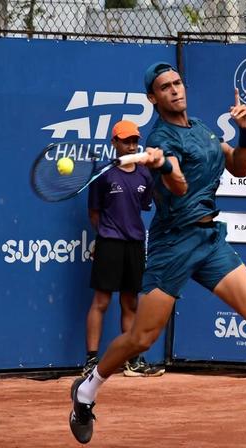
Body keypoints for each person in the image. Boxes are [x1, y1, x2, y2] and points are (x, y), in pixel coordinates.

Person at [68, 62, 246, 444]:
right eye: (164, 87)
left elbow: (239, 167)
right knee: (141, 339)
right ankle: (86, 391)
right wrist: (165, 163)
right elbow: (180, 187)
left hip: (209, 239)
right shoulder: (161, 139)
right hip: (173, 244)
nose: (174, 90)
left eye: (177, 82)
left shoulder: (202, 129)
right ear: (153, 98)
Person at [81, 119, 165, 379]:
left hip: (136, 244)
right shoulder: (103, 173)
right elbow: (94, 213)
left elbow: (141, 206)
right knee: (102, 302)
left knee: (130, 303)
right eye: (125, 140)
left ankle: (132, 362)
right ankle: (91, 361)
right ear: (114, 142)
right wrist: (104, 235)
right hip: (110, 243)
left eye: (134, 141)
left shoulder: (144, 174)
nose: (131, 145)